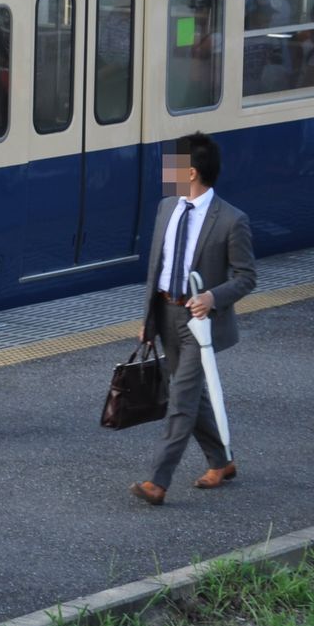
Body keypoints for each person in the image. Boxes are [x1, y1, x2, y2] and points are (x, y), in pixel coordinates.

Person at [131, 132, 257, 506]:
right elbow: (158, 269)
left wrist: (212, 297)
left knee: (182, 399)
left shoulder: (232, 221)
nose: (164, 171)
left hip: (199, 324)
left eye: (171, 164)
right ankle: (222, 461)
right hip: (165, 314)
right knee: (186, 394)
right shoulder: (166, 208)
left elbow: (247, 276)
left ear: (190, 171)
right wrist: (148, 321)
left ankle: (158, 481)